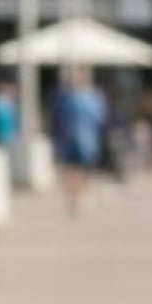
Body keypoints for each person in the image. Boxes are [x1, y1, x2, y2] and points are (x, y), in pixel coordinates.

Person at [49, 66, 107, 216]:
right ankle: (75, 197)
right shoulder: (66, 98)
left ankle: (78, 196)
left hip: (86, 141)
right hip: (71, 140)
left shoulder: (91, 98)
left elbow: (100, 119)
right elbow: (58, 119)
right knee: (71, 169)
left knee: (83, 170)